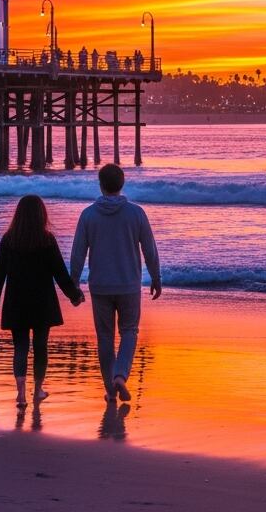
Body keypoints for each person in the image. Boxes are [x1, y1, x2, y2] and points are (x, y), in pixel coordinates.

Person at [70, 164, 162, 403]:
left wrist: (73, 283)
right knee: (129, 331)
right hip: (129, 284)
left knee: (105, 337)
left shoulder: (88, 214)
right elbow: (150, 250)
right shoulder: (136, 213)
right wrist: (156, 277)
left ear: (100, 185)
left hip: (100, 285)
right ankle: (120, 375)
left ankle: (110, 390)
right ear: (122, 184)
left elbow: (78, 253)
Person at [0, 195, 85, 407]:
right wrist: (74, 295)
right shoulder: (46, 240)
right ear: (42, 215)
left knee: (20, 346)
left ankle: (21, 393)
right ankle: (38, 390)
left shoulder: (9, 240)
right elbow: (60, 273)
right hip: (42, 302)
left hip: (16, 301)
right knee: (41, 346)